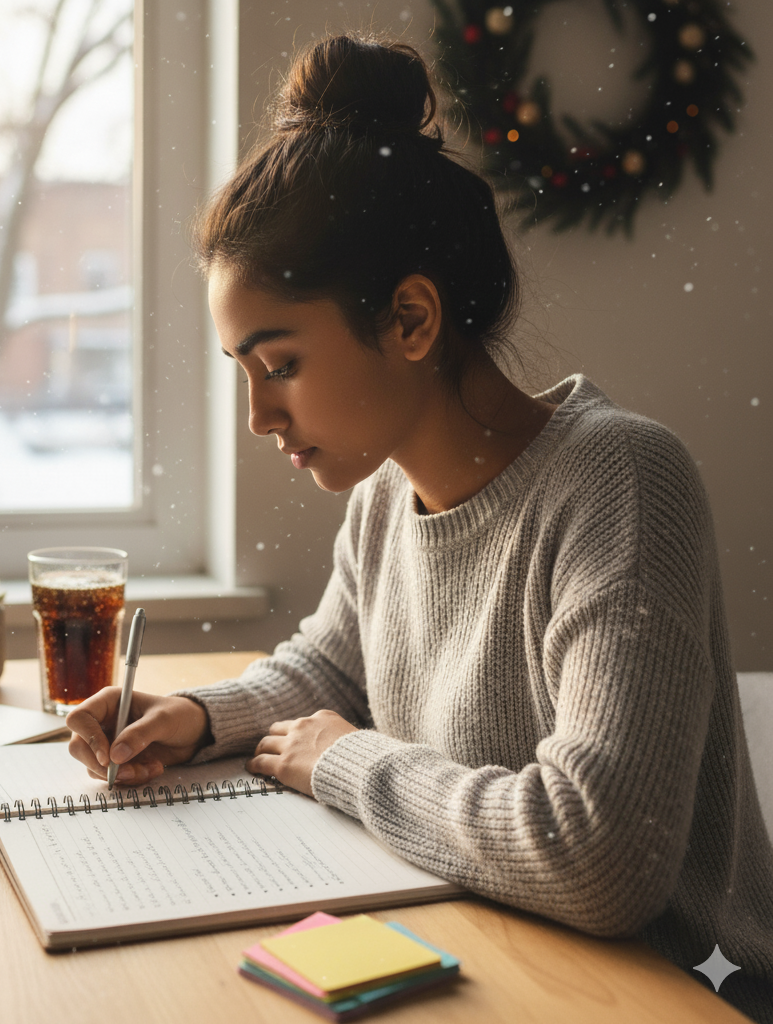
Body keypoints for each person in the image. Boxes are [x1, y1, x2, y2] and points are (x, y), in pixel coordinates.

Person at [66, 34, 773, 1022]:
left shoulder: (622, 482)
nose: (259, 419)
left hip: (681, 988)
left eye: (278, 365)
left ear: (409, 319)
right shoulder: (383, 497)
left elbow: (599, 856)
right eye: (242, 371)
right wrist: (194, 718)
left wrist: (344, 761)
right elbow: (329, 669)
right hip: (482, 942)